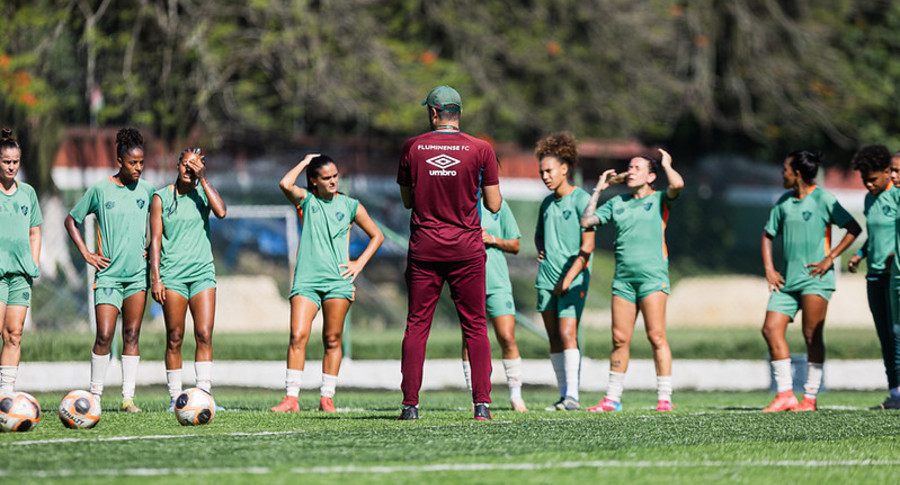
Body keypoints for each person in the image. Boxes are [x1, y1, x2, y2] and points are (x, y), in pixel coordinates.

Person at [397, 85, 502, 420]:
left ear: (432, 113)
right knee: (475, 325)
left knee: (417, 324)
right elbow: (494, 204)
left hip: (425, 247)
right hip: (467, 249)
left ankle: (410, 405)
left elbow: (407, 201)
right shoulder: (481, 149)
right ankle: (482, 405)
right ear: (459, 113)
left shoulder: (412, 147)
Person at [271, 153, 383, 413]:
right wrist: (303, 161)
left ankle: (327, 398)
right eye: (326, 178)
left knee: (333, 339)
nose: (333, 181)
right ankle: (291, 398)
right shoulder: (306, 201)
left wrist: (359, 263)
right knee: (297, 335)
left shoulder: (351, 205)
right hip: (306, 281)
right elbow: (285, 184)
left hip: (338, 282)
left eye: (335, 176)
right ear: (313, 181)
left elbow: (376, 236)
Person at [580, 150, 684, 412]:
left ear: (651, 176)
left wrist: (667, 164)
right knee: (619, 339)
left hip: (652, 280)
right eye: (630, 167)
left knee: (656, 336)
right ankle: (612, 399)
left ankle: (664, 398)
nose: (631, 171)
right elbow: (586, 221)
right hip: (623, 282)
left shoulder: (660, 199)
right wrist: (599, 189)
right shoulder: (618, 203)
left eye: (638, 167)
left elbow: (677, 185)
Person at [760, 150, 860, 412]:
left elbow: (853, 228)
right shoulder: (783, 201)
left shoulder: (824, 199)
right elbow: (768, 235)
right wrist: (770, 269)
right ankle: (785, 395)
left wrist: (831, 258)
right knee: (770, 329)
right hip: (787, 282)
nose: (782, 174)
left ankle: (810, 398)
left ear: (798, 173)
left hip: (816, 280)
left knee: (811, 335)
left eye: (785, 169)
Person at [65, 127, 156, 412]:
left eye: (141, 162)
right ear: (120, 161)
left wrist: (150, 247)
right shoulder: (100, 190)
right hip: (108, 276)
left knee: (131, 335)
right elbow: (71, 220)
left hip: (137, 277)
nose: (138, 168)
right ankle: (95, 396)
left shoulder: (149, 190)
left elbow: (158, 225)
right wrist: (87, 254)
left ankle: (128, 398)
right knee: (104, 334)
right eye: (133, 163)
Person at [148, 148, 227, 411]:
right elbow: (155, 241)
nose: (187, 169)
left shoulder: (203, 193)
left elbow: (222, 212)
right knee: (175, 336)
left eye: (194, 166)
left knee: (204, 334)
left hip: (202, 274)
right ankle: (174, 398)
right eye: (185, 164)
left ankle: (204, 394)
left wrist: (203, 179)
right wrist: (156, 278)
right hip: (173, 276)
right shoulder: (161, 197)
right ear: (177, 164)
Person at [534, 132, 595, 411]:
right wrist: (542, 251)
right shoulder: (546, 203)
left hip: (572, 279)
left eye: (549, 171)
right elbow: (539, 236)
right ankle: (563, 395)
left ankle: (573, 396)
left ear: (564, 169)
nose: (545, 176)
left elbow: (587, 247)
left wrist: (567, 279)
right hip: (546, 278)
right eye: (541, 172)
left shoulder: (582, 200)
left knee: (568, 332)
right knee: (554, 337)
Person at [460, 198, 527, 412]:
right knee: (469, 341)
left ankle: (516, 396)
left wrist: (492, 239)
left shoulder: (499, 205)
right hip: (468, 283)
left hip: (497, 283)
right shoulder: (458, 203)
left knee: (507, 337)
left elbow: (515, 244)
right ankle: (475, 396)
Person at [847, 145, 900, 409]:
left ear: (887, 172)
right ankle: (895, 393)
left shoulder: (897, 196)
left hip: (895, 279)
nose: (868, 185)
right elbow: (874, 235)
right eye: (864, 180)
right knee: (885, 337)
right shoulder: (870, 200)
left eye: (873, 179)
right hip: (874, 279)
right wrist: (860, 254)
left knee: (897, 334)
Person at [0, 128, 42, 392]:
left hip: (21, 276)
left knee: (14, 335)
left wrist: (33, 264)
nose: (12, 166)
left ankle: (5, 395)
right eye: (6, 162)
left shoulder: (28, 193)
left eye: (15, 161)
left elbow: (34, 231)